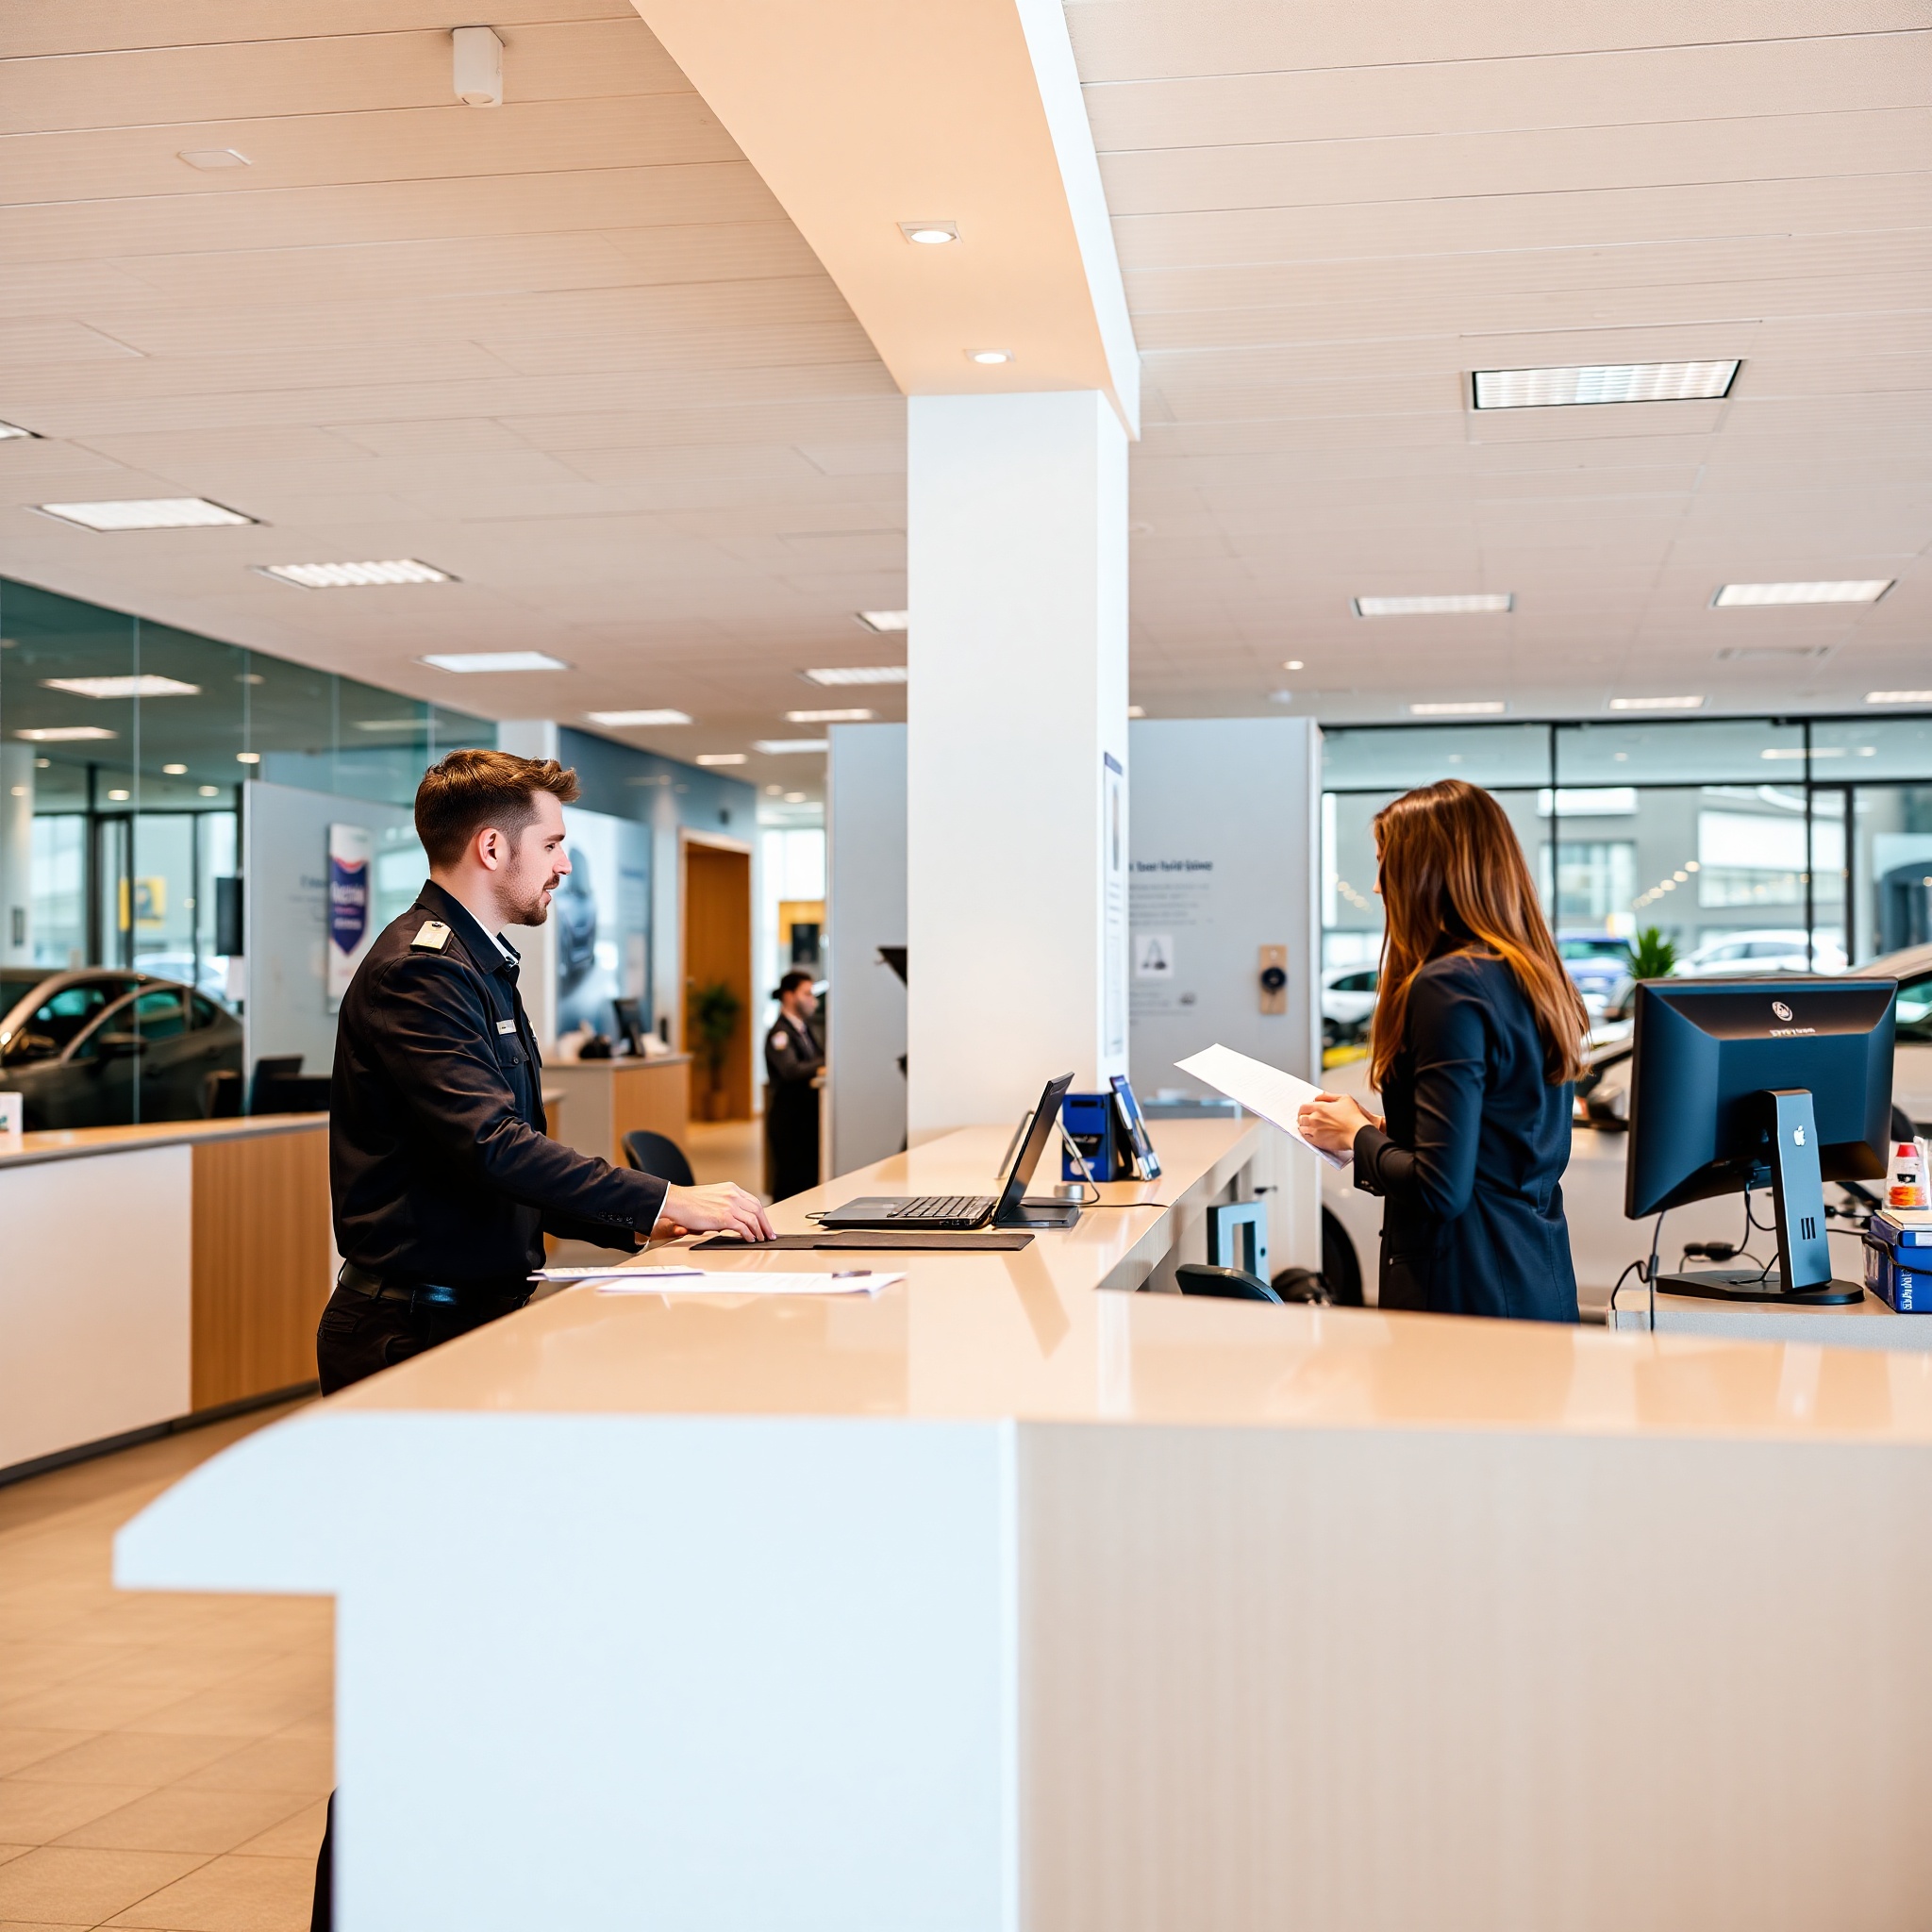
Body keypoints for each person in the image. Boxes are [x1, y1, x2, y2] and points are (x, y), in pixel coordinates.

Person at [311, 749, 771, 1927]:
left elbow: (509, 1158)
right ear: (492, 848)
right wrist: (660, 1202)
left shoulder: (473, 962)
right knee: (425, 1671)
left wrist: (654, 1223)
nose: (566, 862)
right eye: (555, 842)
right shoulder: (421, 973)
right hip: (406, 1338)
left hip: (466, 1329)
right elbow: (490, 1146)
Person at [1297, 779, 1585, 1322]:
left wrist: (1354, 1137)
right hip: (1536, 1278)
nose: (1379, 886)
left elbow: (1440, 1190)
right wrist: (1388, 1128)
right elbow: (1501, 1142)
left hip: (1464, 1291)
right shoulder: (1532, 976)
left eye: (1385, 864)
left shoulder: (1447, 986)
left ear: (1426, 872)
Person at [763, 968, 824, 1200]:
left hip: (806, 1118)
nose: (813, 1001)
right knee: (789, 1180)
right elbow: (790, 1070)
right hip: (789, 1119)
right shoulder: (780, 1034)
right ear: (789, 996)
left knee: (807, 1179)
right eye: (807, 994)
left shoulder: (805, 1030)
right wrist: (825, 1062)